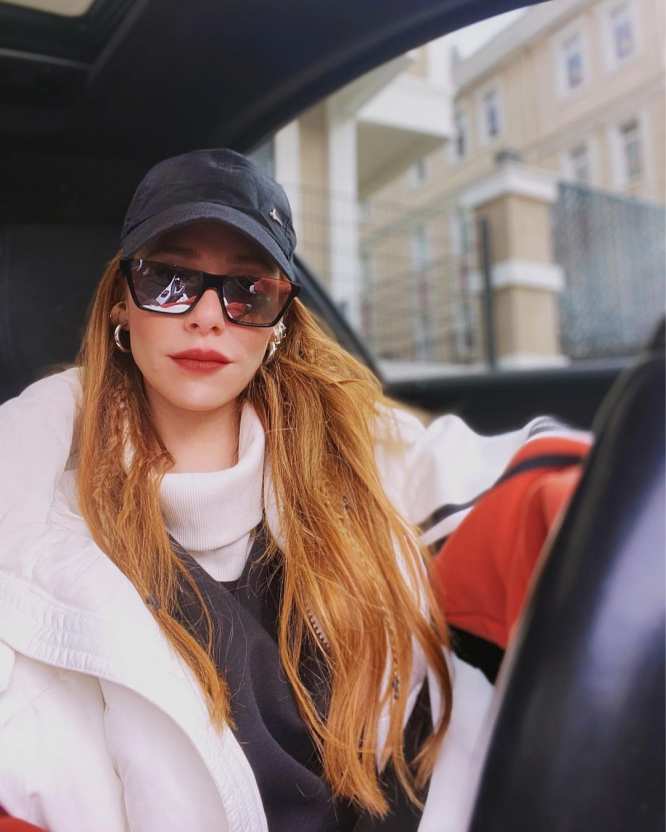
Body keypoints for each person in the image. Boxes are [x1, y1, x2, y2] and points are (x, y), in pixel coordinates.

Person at [0, 148, 582, 832]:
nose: (208, 316)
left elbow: (522, 491)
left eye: (247, 291)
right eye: (169, 280)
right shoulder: (41, 499)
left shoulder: (361, 455)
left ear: (277, 323)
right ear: (123, 303)